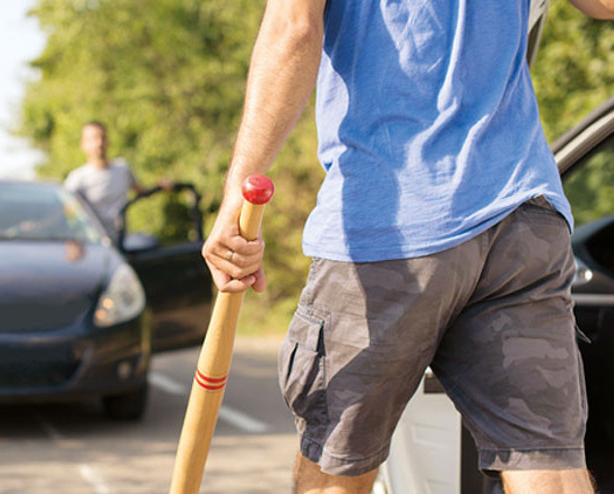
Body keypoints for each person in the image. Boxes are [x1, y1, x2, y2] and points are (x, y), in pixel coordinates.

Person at [201, 1, 613, 493]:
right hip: (521, 215)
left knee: (335, 470)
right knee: (549, 467)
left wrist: (237, 194)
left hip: (392, 221)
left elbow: (293, 30)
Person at [64, 121, 170, 241]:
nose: (98, 143)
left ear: (107, 141)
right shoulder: (77, 179)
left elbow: (142, 192)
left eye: (102, 137)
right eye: (92, 139)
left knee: (150, 241)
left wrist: (160, 186)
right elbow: (65, 214)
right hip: (94, 243)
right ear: (83, 145)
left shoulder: (122, 169)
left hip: (122, 241)